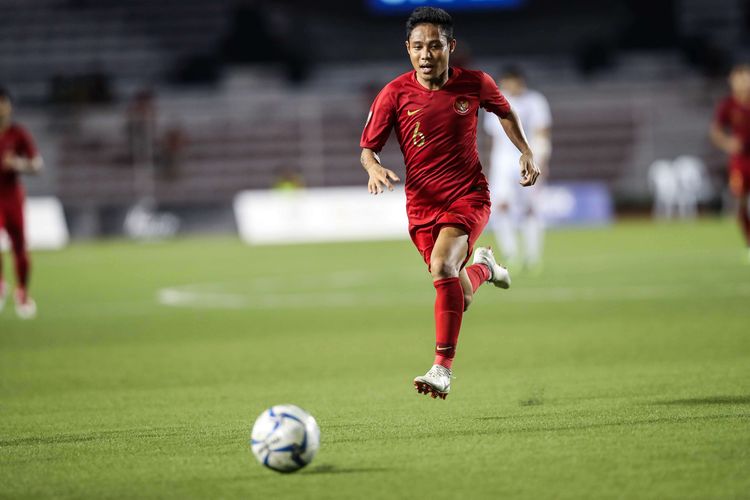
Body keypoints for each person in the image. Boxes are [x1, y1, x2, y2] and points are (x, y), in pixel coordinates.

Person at [360, 7, 539, 399]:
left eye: (435, 46)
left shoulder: (475, 84)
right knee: (460, 292)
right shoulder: (394, 94)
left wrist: (525, 151)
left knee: (442, 265)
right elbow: (367, 149)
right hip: (422, 207)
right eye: (419, 47)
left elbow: (505, 112)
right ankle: (484, 270)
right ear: (408, 49)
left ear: (450, 47)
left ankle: (442, 369)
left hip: (468, 196)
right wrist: (373, 168)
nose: (427, 54)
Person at [483, 66, 551, 270]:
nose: (509, 86)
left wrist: (542, 161)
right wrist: (489, 165)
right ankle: (511, 253)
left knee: (531, 209)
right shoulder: (495, 102)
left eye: (513, 81)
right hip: (502, 162)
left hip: (528, 160)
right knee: (501, 207)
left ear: (521, 81)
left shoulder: (535, 101)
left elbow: (542, 133)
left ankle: (532, 256)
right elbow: (494, 138)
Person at [0, 87, 43, 318]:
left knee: (19, 247)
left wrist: (19, 164)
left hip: (12, 195)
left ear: (9, 106)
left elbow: (37, 164)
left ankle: (23, 292)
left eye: (2, 102)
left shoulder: (18, 134)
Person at [711, 63, 750, 262]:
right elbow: (716, 132)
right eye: (739, 78)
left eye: (746, 77)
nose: (743, 82)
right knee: (740, 201)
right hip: (740, 162)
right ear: (731, 81)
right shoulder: (727, 105)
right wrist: (728, 143)